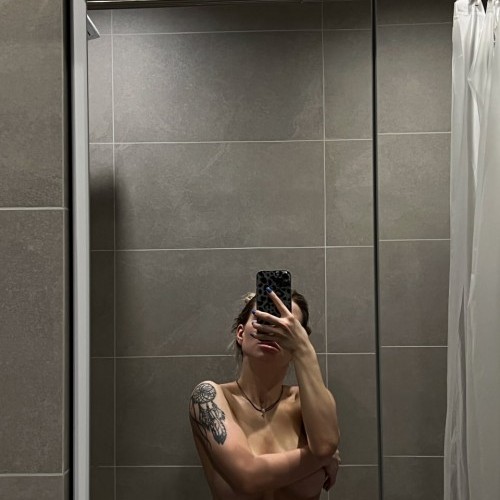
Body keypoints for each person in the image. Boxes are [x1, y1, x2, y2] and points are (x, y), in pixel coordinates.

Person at [189, 287, 341, 499]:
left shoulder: (305, 403)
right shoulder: (209, 397)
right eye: (263, 321)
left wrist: (304, 351)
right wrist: (319, 459)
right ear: (241, 334)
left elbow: (325, 446)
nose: (271, 331)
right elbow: (248, 477)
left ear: (298, 339)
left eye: (285, 327)